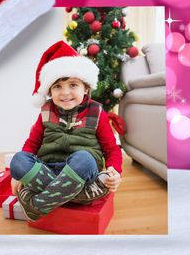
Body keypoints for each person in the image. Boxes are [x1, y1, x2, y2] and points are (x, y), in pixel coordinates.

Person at [10, 40, 122, 221]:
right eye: (57, 86)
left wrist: (114, 170)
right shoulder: (46, 112)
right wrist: (17, 175)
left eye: (73, 85)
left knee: (84, 158)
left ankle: (37, 204)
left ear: (85, 87)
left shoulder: (97, 112)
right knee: (18, 161)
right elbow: (32, 144)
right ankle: (81, 195)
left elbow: (112, 149)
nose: (65, 93)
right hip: (47, 169)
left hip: (80, 171)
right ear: (49, 91)